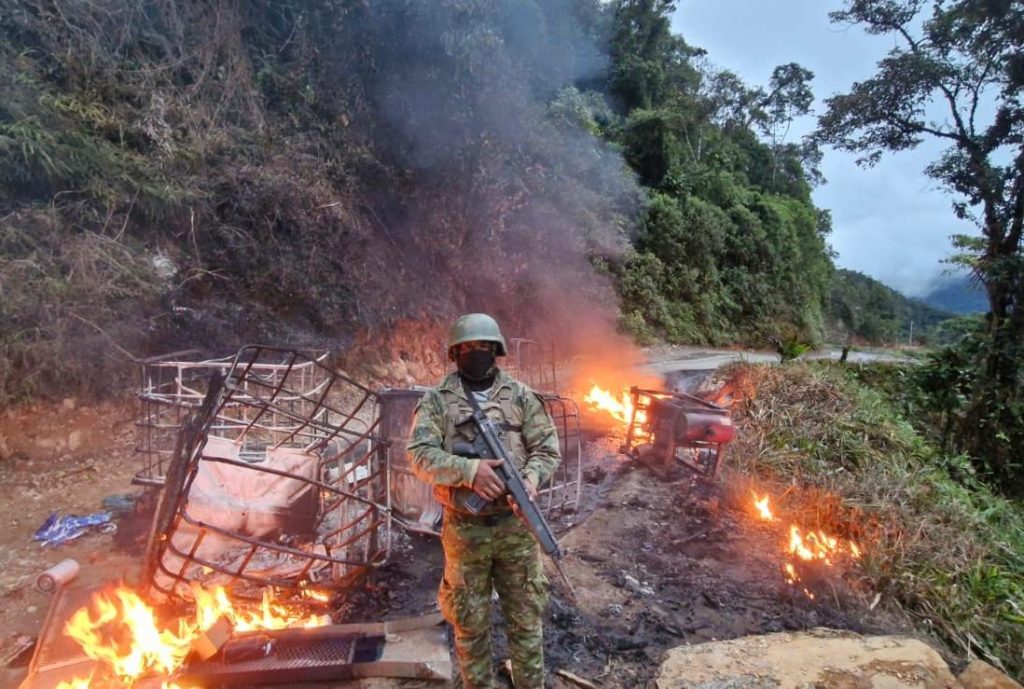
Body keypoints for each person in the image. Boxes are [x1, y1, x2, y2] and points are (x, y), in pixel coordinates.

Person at [407, 313, 561, 689]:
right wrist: (469, 471)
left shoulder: (522, 397)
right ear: (456, 353)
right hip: (465, 530)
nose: (475, 353)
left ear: (496, 351)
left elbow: (547, 449)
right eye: (467, 348)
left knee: (525, 619)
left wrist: (530, 477)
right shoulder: (438, 402)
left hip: (515, 529)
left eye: (482, 347)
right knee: (470, 624)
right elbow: (419, 455)